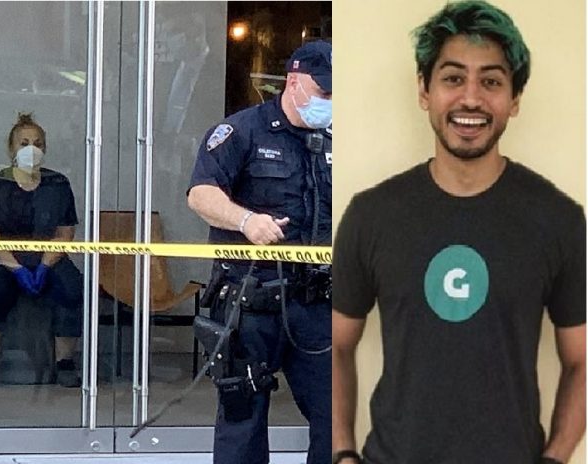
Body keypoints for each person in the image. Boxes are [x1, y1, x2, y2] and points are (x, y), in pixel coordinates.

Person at [332, 2, 586, 463]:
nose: (471, 99)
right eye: (453, 78)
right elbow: (335, 345)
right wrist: (343, 454)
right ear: (424, 90)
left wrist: (555, 457)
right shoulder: (372, 215)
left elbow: (581, 359)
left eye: (491, 81)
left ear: (514, 99)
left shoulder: (558, 219)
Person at [187, 39, 332, 464]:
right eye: (323, 91)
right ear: (293, 81)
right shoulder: (243, 131)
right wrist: (246, 220)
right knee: (242, 423)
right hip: (250, 302)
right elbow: (200, 193)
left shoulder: (336, 140)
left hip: (314, 303)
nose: (329, 101)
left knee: (339, 415)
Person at [0, 113, 83, 388]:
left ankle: (65, 362)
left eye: (37, 143)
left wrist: (44, 265)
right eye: (24, 143)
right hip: (2, 257)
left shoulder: (58, 184)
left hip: (47, 256)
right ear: (12, 149)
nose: (32, 149)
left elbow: (65, 233)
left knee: (72, 287)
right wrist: (16, 268)